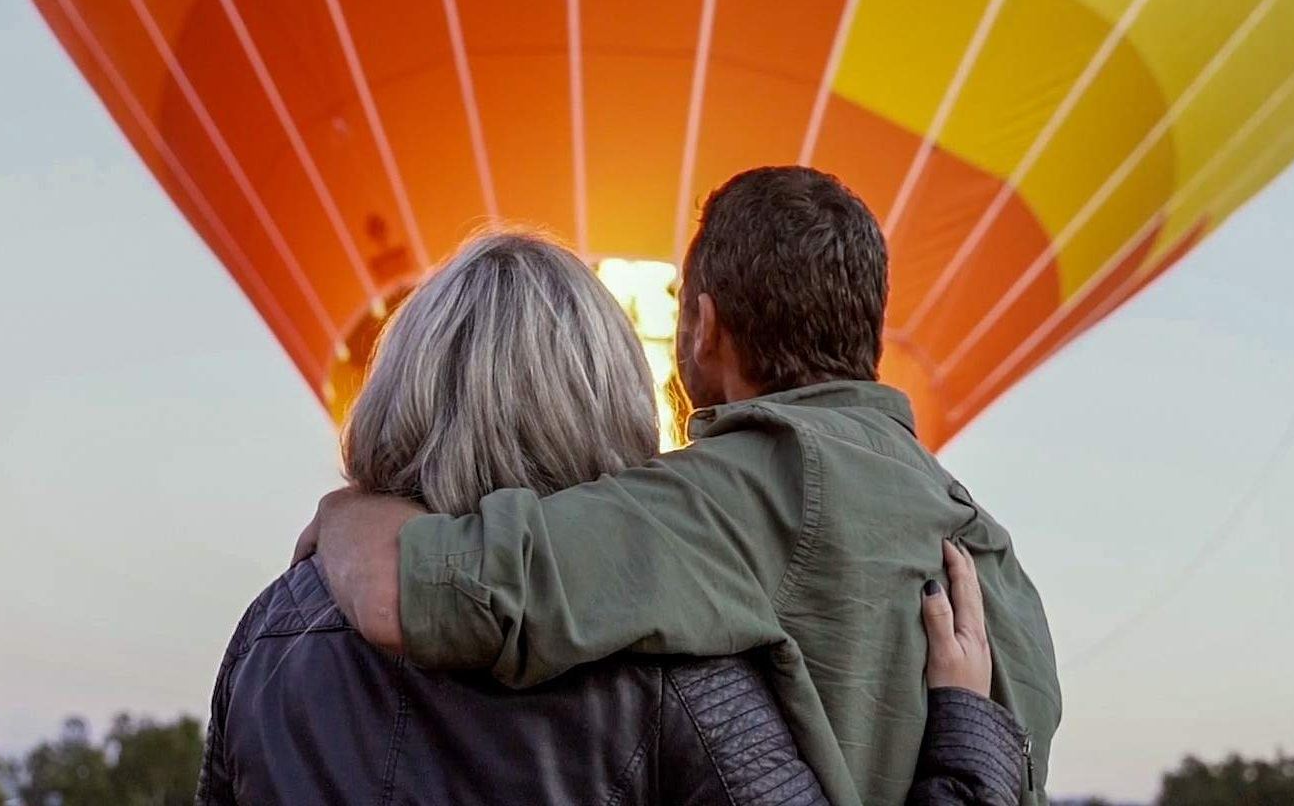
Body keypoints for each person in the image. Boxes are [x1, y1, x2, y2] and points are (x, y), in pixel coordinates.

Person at [298, 167, 1062, 806]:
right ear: (867, 327)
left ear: (703, 326)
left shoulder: (722, 501)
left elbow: (418, 593)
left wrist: (347, 510)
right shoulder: (990, 557)